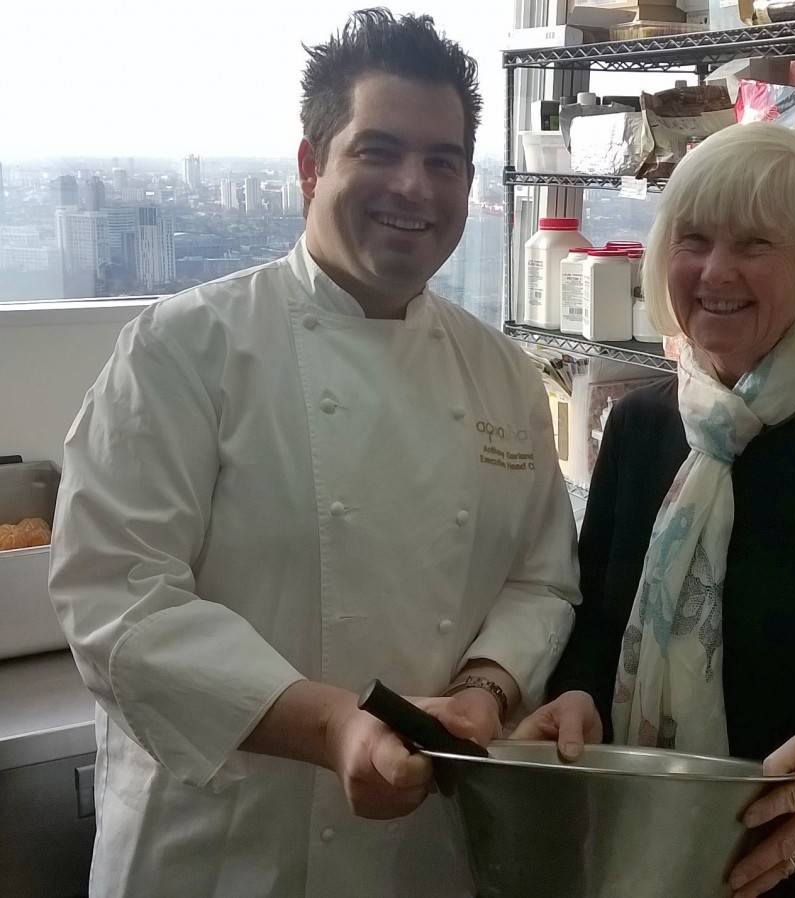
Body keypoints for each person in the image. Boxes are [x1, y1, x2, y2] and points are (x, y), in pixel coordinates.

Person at [48, 9, 579, 898]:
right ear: (309, 166)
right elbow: (117, 601)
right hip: (221, 855)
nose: (414, 185)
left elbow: (541, 577)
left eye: (442, 161)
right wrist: (335, 726)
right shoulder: (184, 350)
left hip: (421, 854)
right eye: (378, 150)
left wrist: (485, 696)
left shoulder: (503, 376)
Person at [514, 122, 795, 897]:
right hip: (649, 854)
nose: (714, 270)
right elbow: (595, 633)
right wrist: (573, 701)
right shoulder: (643, 425)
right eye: (693, 239)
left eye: (755, 243)